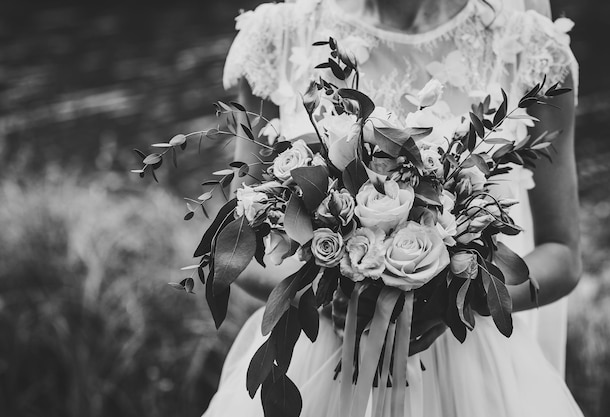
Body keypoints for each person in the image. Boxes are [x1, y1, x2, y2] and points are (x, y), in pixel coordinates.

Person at [204, 0, 583, 415]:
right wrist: (319, 292)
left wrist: (458, 300)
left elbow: (562, 255)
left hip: (468, 368)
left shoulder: (531, 50)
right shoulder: (276, 38)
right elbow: (238, 245)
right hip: (320, 354)